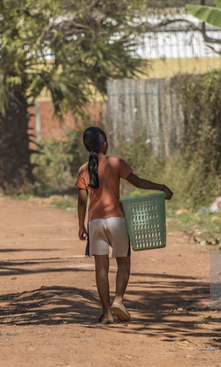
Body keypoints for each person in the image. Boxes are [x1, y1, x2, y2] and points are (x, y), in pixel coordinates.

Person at [75, 127, 173, 325]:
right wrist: (161, 187)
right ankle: (118, 300)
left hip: (95, 222)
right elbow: (137, 182)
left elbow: (81, 201)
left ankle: (107, 314)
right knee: (123, 262)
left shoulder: (84, 169)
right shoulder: (116, 163)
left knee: (101, 268)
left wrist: (81, 226)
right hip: (117, 220)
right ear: (105, 144)